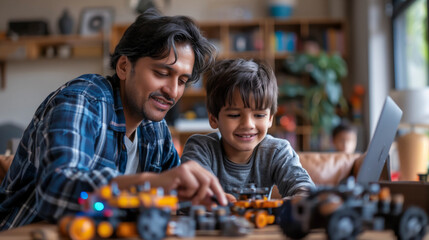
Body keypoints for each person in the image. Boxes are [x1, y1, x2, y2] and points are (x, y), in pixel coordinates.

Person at [0, 9, 227, 230]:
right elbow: (56, 191)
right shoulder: (83, 101)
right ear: (124, 66)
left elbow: (175, 195)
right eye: (162, 73)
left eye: (182, 81)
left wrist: (205, 200)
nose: (173, 91)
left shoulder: (155, 129)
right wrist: (149, 184)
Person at [181, 59, 315, 201]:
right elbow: (193, 190)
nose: (248, 124)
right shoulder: (201, 148)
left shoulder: (277, 151)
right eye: (234, 115)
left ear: (270, 118)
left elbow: (305, 189)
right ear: (213, 118)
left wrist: (295, 201)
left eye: (259, 115)